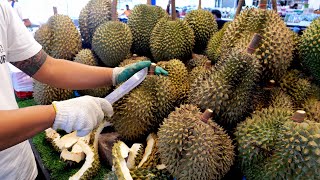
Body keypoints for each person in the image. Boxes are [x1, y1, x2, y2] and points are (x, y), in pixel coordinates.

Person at [0, 2, 167, 179]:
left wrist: (114, 75)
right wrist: (58, 113)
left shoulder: (2, 10)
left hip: (21, 166)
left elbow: (47, 67)